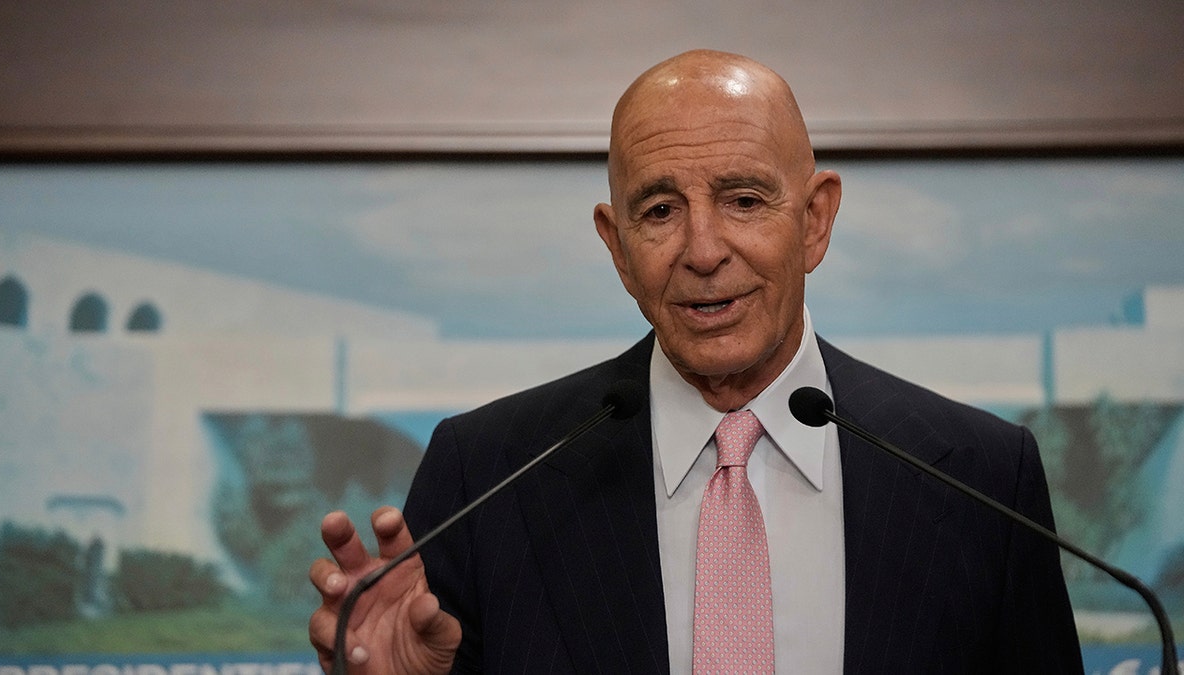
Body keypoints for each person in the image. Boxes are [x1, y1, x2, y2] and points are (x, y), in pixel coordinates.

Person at [308, 49, 1083, 674]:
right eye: (660, 211)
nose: (704, 251)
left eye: (744, 200)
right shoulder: (488, 471)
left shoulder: (981, 476)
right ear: (616, 245)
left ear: (814, 221)